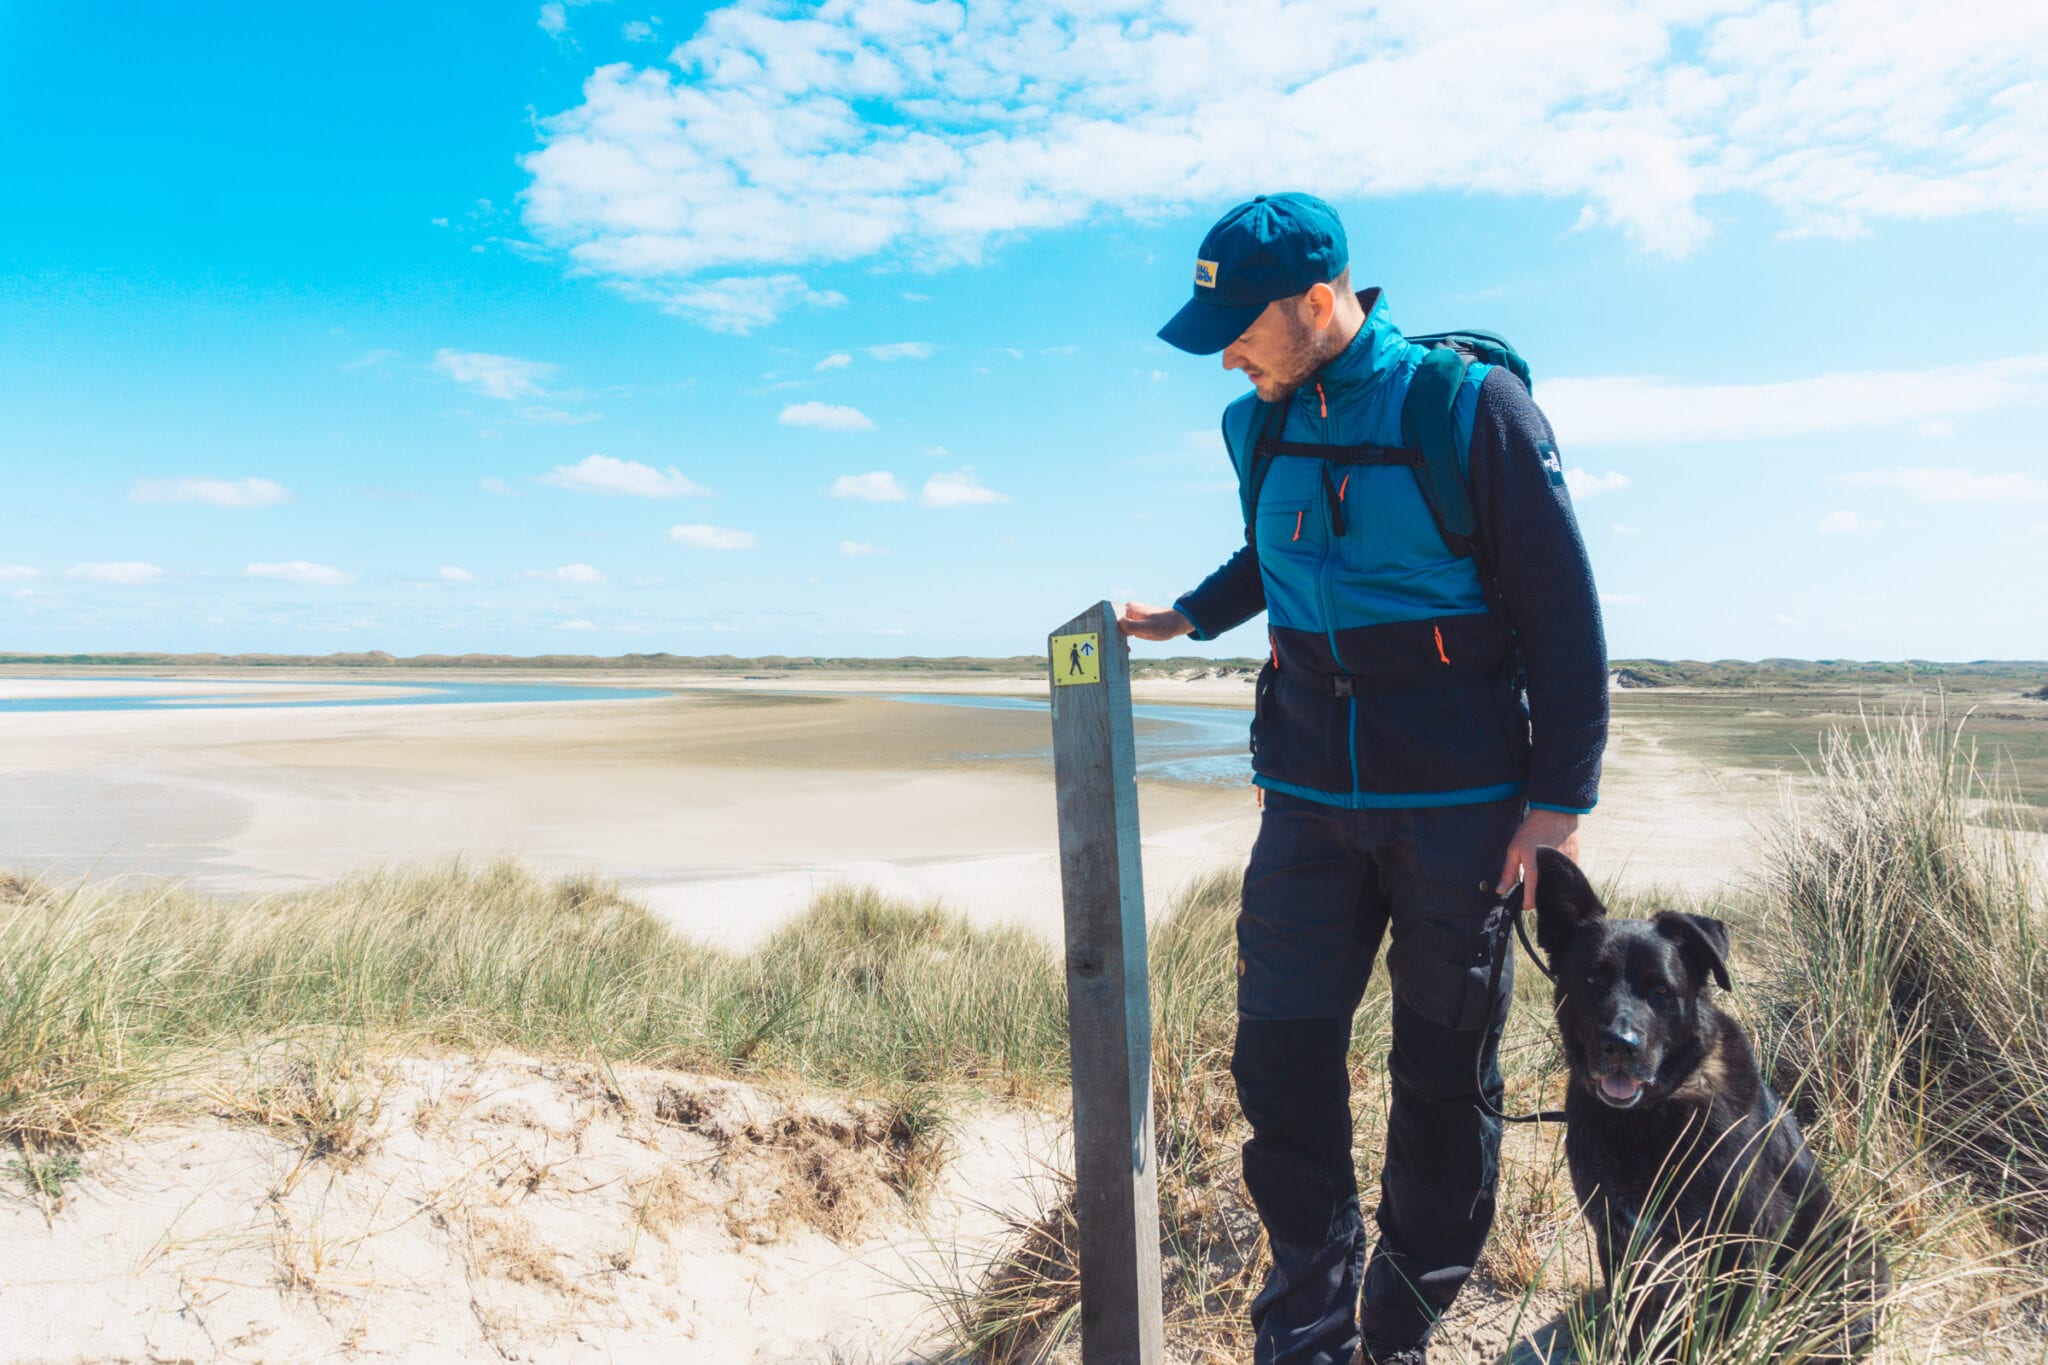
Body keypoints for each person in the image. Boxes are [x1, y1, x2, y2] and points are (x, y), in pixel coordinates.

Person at [1119, 193, 1607, 1365]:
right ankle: (1307, 1318)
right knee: (1278, 1060)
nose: (1227, 355)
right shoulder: (1255, 424)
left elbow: (1561, 613)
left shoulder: (1467, 405)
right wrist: (1192, 615)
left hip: (1461, 811)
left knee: (1439, 1079)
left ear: (1319, 298)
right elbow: (1269, 548)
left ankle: (1399, 1325)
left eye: (1241, 329)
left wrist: (1556, 809)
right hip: (1305, 802)